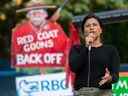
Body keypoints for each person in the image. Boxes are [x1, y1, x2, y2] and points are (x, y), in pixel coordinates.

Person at [69, 13, 120, 96]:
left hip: (103, 92)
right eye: (88, 26)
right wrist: (86, 47)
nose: (91, 27)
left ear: (100, 30)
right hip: (82, 92)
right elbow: (74, 67)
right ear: (83, 31)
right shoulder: (77, 49)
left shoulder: (111, 50)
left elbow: (116, 76)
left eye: (94, 25)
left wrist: (109, 78)